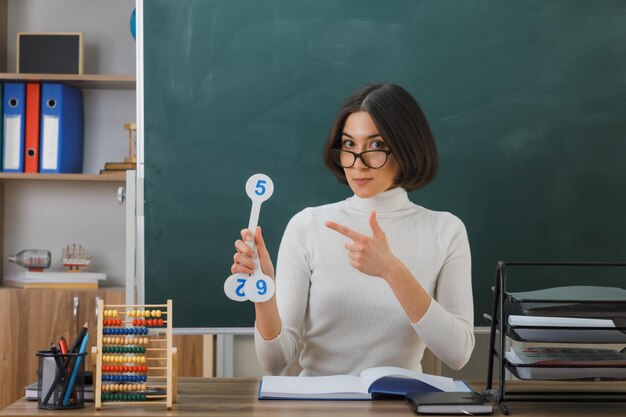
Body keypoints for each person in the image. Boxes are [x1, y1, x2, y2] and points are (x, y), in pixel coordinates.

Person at [231, 82, 474, 376]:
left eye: (376, 146)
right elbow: (276, 362)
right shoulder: (307, 226)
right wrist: (264, 294)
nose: (358, 164)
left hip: (398, 407)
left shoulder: (446, 231)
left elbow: (458, 353)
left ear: (407, 148)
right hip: (317, 407)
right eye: (349, 145)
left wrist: (392, 271)